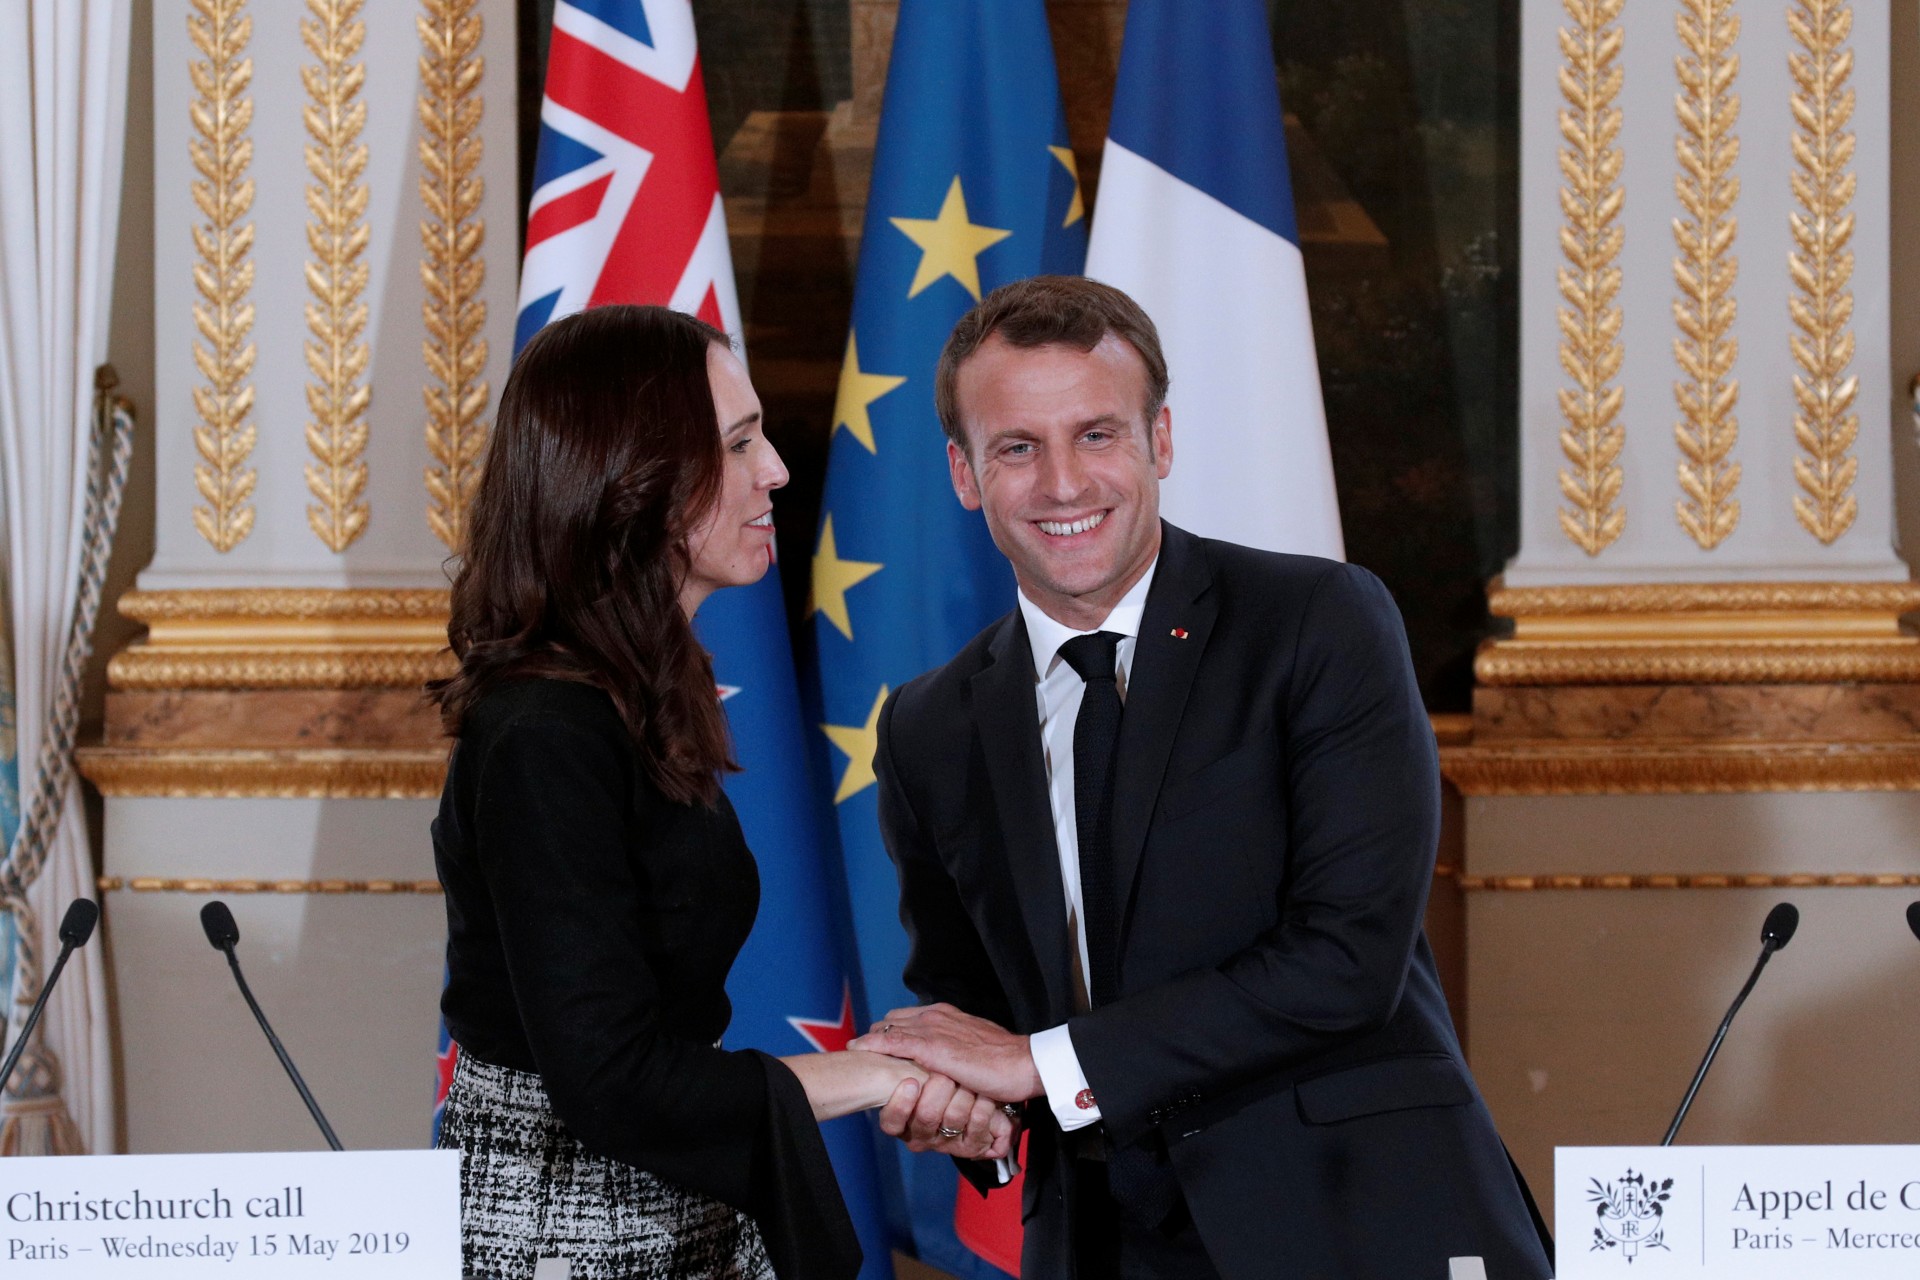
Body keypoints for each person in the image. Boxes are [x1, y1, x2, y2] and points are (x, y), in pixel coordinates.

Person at [850, 277, 1555, 1278]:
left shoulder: (1318, 620)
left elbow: (1347, 957)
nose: (1062, 482)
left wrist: (1035, 1064)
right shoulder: (929, 725)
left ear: (1160, 442)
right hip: (1095, 1242)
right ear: (964, 472)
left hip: (1353, 1220)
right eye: (1017, 446)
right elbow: (979, 1012)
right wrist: (973, 1105)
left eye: (1097, 434)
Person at [428, 305, 1013, 1280]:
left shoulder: (630, 702)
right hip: (567, 1231)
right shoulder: (542, 736)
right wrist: (879, 1072)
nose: (776, 470)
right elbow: (610, 1077)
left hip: (671, 1202)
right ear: (635, 475)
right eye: (738, 443)